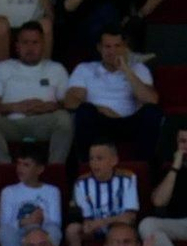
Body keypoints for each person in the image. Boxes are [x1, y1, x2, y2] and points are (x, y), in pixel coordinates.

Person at [0, 20, 72, 167]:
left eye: (35, 42)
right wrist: (16, 107)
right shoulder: (1, 68)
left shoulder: (56, 69)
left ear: (43, 44)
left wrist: (48, 107)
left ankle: (55, 170)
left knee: (65, 118)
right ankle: (5, 169)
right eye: (25, 42)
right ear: (17, 46)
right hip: (11, 123)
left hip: (43, 122)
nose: (30, 47)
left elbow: (66, 103)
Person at [63, 26, 159, 160]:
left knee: (152, 112)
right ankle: (85, 164)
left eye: (117, 46)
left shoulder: (139, 69)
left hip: (129, 121)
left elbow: (151, 100)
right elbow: (70, 102)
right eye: (107, 46)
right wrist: (100, 109)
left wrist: (126, 69)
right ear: (99, 48)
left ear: (125, 47)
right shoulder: (85, 69)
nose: (112, 51)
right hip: (100, 121)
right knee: (84, 111)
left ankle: (143, 165)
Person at [65, 139, 137, 246]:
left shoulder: (128, 179)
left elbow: (129, 217)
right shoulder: (81, 183)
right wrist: (88, 225)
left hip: (120, 227)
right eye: (91, 159)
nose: (94, 163)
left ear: (114, 160)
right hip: (96, 230)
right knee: (72, 230)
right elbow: (87, 218)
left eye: (99, 158)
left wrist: (101, 222)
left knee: (121, 230)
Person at [0, 148, 62, 246]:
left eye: (26, 165)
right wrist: (24, 222)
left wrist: (39, 220)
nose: (20, 168)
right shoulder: (8, 191)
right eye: (19, 164)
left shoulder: (52, 191)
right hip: (19, 231)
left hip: (42, 229)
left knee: (54, 231)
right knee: (4, 232)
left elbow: (56, 222)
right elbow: (4, 224)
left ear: (39, 169)